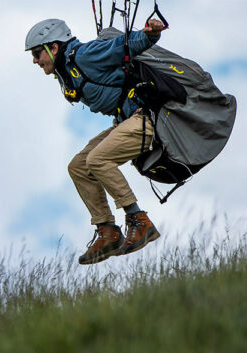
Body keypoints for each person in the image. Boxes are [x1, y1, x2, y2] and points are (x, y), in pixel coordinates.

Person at [25, 18, 166, 265]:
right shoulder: (66, 70)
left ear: (54, 47)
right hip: (127, 121)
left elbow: (121, 46)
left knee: (98, 159)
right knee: (78, 166)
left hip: (148, 118)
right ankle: (108, 232)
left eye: (37, 53)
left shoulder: (84, 55)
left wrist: (150, 35)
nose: (35, 61)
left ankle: (138, 220)